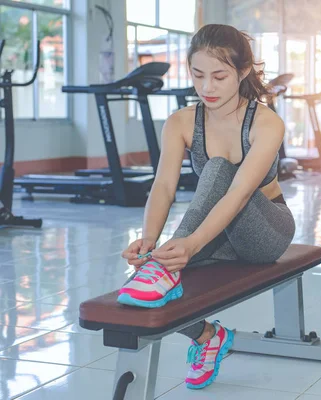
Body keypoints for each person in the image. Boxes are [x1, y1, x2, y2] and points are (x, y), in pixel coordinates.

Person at [118, 24, 296, 390]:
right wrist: (150, 240)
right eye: (198, 75)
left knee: (217, 169)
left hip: (266, 228)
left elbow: (239, 193)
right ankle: (207, 336)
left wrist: (190, 244)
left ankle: (163, 268)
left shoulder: (266, 123)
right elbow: (164, 185)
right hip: (216, 230)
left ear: (242, 72)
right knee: (143, 287)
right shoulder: (181, 122)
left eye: (219, 76)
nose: (207, 87)